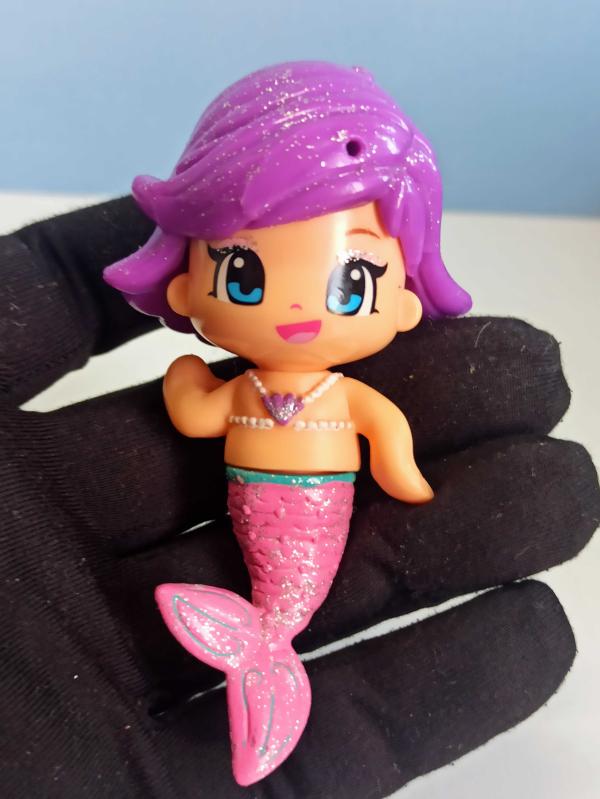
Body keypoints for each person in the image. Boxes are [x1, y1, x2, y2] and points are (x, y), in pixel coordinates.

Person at [0, 74, 598, 798]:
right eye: (244, 276)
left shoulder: (339, 396)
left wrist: (405, 475)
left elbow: (387, 432)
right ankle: (260, 646)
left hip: (318, 512)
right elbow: (199, 415)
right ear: (184, 289)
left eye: (351, 282)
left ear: (404, 302)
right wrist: (187, 379)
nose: (298, 312)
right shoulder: (251, 392)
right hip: (259, 503)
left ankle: (265, 642)